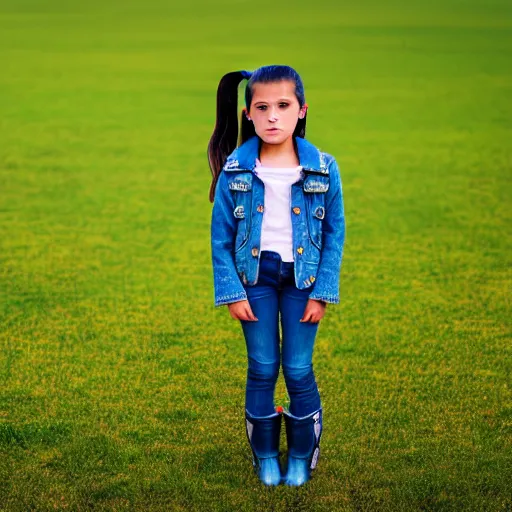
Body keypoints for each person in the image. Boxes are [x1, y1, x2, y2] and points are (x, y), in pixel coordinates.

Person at [207, 65, 346, 487]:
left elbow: (335, 232)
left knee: (299, 369)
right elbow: (220, 238)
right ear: (247, 113)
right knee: (263, 367)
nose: (272, 116)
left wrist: (323, 291)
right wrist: (232, 291)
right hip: (257, 279)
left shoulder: (323, 167)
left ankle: (302, 456)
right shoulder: (236, 169)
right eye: (262, 107)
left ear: (301, 110)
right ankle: (266, 456)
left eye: (283, 106)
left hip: (303, 282)